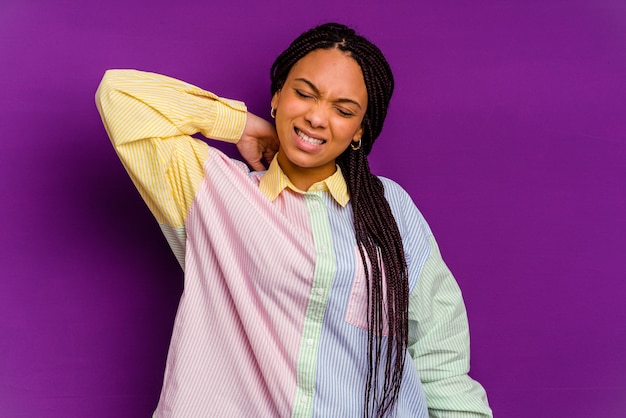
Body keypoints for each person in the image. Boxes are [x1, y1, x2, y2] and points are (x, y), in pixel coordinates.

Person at [96, 22, 492, 418]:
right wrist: (239, 124)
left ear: (359, 131)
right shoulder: (212, 191)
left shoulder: (391, 209)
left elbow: (440, 356)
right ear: (277, 97)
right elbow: (118, 96)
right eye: (304, 94)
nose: (318, 118)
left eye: (343, 110)